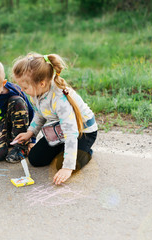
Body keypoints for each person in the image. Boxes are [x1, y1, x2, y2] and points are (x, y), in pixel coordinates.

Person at [12, 53, 98, 185]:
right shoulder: (37, 92)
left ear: (41, 83)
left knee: (62, 167)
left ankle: (86, 152)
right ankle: (65, 150)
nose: (22, 91)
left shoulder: (60, 100)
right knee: (35, 159)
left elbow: (71, 133)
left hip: (82, 132)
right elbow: (40, 114)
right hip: (59, 131)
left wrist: (67, 167)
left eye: (25, 87)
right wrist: (30, 133)